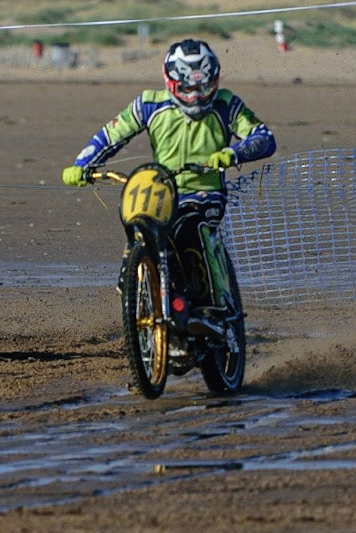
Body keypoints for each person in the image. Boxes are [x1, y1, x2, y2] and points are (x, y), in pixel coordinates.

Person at [61, 39, 276, 330]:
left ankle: (213, 306)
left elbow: (263, 137)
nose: (196, 97)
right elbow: (110, 136)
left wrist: (232, 153)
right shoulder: (149, 103)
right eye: (187, 89)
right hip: (160, 190)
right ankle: (137, 288)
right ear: (171, 82)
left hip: (205, 193)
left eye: (203, 88)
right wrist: (81, 166)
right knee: (138, 223)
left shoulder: (227, 104)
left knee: (190, 229)